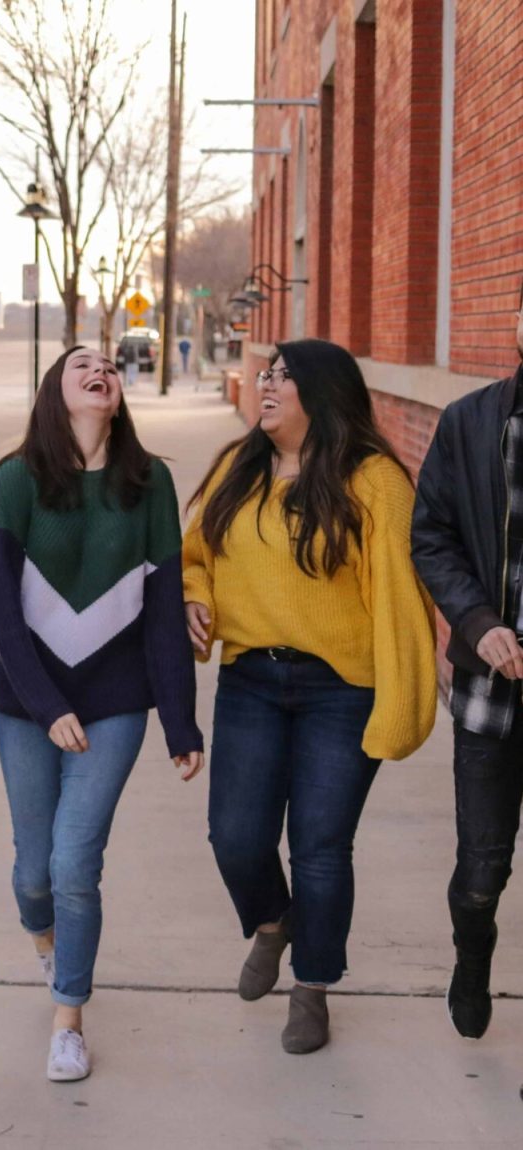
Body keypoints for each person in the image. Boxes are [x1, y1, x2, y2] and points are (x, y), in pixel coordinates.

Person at [183, 338, 436, 1055]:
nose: (265, 385)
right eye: (265, 373)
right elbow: (194, 555)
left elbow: (399, 601)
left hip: (341, 690)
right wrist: (194, 599)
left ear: (321, 394)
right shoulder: (238, 468)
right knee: (235, 837)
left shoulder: (374, 480)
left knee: (321, 848)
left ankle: (314, 987)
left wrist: (401, 706)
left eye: (283, 378)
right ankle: (272, 923)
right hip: (250, 680)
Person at [0, 345, 203, 1083]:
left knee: (75, 863)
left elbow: (166, 613)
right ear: (56, 391)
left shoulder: (151, 483)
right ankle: (49, 942)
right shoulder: (16, 480)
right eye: (80, 363)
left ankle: (68, 1016)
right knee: (32, 873)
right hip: (26, 704)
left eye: (109, 364)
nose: (99, 368)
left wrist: (180, 721)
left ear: (118, 393)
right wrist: (46, 708)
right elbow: (1, 614)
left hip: (114, 705)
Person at [411, 277, 523, 1043]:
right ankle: (472, 955)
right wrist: (476, 622)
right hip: (494, 695)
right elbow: (432, 536)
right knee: (483, 867)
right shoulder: (472, 423)